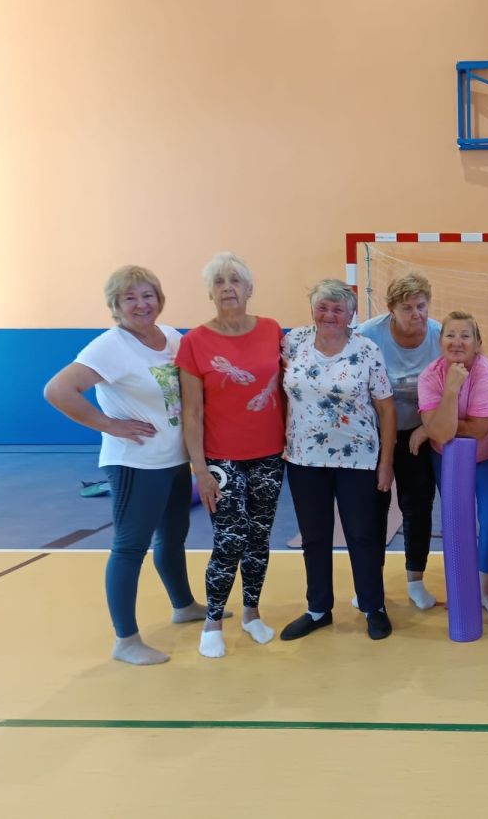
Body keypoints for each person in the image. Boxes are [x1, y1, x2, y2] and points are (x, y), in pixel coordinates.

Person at [43, 266, 211, 665]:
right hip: (136, 463)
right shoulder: (109, 347)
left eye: (148, 295)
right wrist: (109, 425)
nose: (141, 304)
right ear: (115, 306)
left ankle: (183, 605)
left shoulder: (170, 337)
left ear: (160, 299)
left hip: (173, 459)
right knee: (130, 547)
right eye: (130, 298)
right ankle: (126, 640)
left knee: (172, 537)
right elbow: (58, 390)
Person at [177, 252, 286, 658]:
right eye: (219, 282)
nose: (227, 288)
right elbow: (191, 412)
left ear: (249, 289)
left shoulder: (272, 330)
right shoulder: (194, 342)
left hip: (269, 454)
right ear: (209, 292)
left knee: (259, 537)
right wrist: (200, 470)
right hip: (221, 458)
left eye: (235, 280)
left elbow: (283, 387)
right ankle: (213, 621)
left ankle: (252, 613)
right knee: (230, 538)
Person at [279, 280, 397, 643]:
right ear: (312, 310)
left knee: (363, 535)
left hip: (358, 458)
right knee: (314, 537)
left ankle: (373, 607)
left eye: (338, 309)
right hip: (303, 458)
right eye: (323, 307)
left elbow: (386, 408)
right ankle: (318, 609)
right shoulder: (293, 342)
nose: (329, 315)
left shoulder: (366, 350)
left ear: (351, 314)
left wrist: (386, 462)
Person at [418, 311, 488, 617]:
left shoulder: (487, 372)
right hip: (447, 457)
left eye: (465, 336)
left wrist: (431, 426)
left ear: (478, 343)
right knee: (456, 521)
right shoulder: (430, 376)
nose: (457, 342)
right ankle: (461, 586)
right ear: (440, 341)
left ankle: (484, 590)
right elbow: (442, 434)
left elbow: (479, 430)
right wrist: (451, 390)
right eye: (450, 335)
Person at [357, 274, 442, 610]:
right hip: (374, 434)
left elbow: (456, 385)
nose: (416, 314)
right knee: (371, 509)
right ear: (391, 309)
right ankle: (370, 582)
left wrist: (429, 429)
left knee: (417, 506)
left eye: (421, 306)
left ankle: (415, 580)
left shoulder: (438, 335)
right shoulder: (368, 335)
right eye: (407, 308)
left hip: (419, 433)